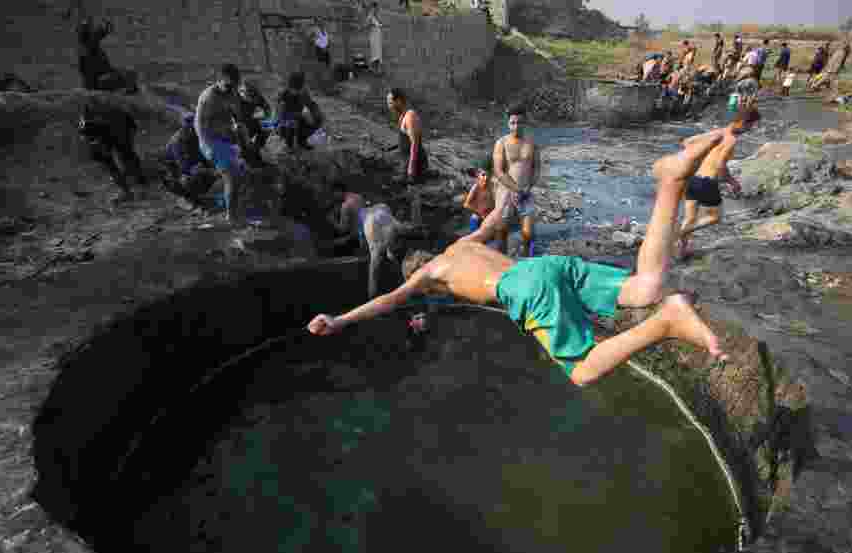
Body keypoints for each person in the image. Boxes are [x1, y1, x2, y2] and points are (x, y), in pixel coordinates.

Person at [307, 128, 734, 387]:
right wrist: (487, 184)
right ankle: (671, 182)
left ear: (423, 275)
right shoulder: (464, 245)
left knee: (583, 371)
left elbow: (387, 301)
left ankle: (667, 322)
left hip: (524, 286)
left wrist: (340, 320)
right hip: (545, 265)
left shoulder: (431, 275)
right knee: (645, 287)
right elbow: (496, 215)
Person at [674, 108, 759, 259]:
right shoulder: (731, 140)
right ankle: (678, 234)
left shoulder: (717, 133)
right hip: (707, 182)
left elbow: (687, 142)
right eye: (751, 126)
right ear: (743, 123)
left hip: (692, 178)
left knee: (690, 218)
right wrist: (732, 182)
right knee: (716, 217)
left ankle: (681, 252)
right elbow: (720, 166)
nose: (750, 130)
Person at [461, 104, 541, 257]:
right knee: (501, 231)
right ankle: (501, 260)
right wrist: (516, 189)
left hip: (526, 193)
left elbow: (536, 169)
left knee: (528, 233)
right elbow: (498, 170)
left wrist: (528, 188)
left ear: (525, 123)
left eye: (519, 122)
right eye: (513, 123)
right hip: (506, 192)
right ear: (508, 123)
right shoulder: (501, 143)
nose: (516, 126)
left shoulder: (532, 144)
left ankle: (525, 261)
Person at [333, 182, 412, 298]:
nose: (333, 197)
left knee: (374, 266)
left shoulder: (345, 205)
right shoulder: (358, 197)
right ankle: (406, 288)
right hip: (381, 212)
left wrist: (332, 221)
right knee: (394, 256)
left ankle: (372, 298)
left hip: (370, 223)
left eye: (334, 194)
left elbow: (343, 228)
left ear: (338, 191)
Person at [195, 63, 245, 226]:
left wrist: (239, 132)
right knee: (231, 176)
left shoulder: (233, 93)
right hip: (211, 141)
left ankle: (227, 206)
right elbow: (199, 126)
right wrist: (208, 148)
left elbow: (237, 115)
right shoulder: (208, 97)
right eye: (229, 85)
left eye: (235, 85)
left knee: (238, 176)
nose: (232, 88)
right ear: (220, 80)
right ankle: (231, 217)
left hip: (227, 139)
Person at [78, 101, 148, 203]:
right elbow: (107, 163)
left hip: (121, 125)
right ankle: (126, 190)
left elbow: (127, 150)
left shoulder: (119, 129)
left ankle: (140, 184)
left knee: (126, 156)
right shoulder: (90, 136)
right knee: (107, 161)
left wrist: (139, 181)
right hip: (102, 130)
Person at [161, 112, 216, 202]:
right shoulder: (178, 141)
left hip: (191, 168)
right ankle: (188, 198)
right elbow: (185, 167)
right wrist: (210, 171)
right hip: (175, 176)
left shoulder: (196, 137)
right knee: (190, 179)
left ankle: (199, 194)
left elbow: (205, 155)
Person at [387, 88, 428, 183]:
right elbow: (406, 140)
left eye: (390, 102)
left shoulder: (410, 116)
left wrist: (411, 171)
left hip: (415, 167)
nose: (389, 106)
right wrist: (392, 148)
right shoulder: (402, 116)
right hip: (405, 165)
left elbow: (415, 143)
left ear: (398, 101)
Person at [276, 72, 325, 151]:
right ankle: (290, 144)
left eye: (299, 89)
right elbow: (280, 115)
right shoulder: (283, 96)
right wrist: (299, 115)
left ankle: (302, 141)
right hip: (287, 124)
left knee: (317, 118)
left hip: (301, 120)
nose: (297, 91)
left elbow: (312, 105)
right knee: (292, 123)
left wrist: (315, 114)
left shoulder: (303, 93)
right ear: (290, 86)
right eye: (294, 89)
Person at [235, 77, 273, 166]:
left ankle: (255, 151)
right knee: (240, 131)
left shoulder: (257, 96)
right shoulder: (234, 99)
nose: (251, 100)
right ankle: (246, 157)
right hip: (236, 128)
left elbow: (268, 110)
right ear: (242, 92)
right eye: (248, 97)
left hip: (250, 121)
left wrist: (260, 117)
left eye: (253, 98)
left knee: (267, 128)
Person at [463, 166, 496, 233]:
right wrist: (480, 213)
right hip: (479, 218)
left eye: (486, 175)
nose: (485, 177)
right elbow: (466, 204)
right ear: (477, 177)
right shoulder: (476, 187)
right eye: (483, 175)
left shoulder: (491, 185)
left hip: (491, 216)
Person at [366, 3, 384, 75]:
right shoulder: (370, 17)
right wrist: (370, 24)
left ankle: (377, 69)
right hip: (373, 38)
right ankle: (374, 69)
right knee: (374, 54)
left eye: (376, 8)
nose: (375, 10)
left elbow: (379, 25)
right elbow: (366, 25)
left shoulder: (377, 17)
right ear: (371, 8)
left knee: (378, 54)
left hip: (378, 38)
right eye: (374, 8)